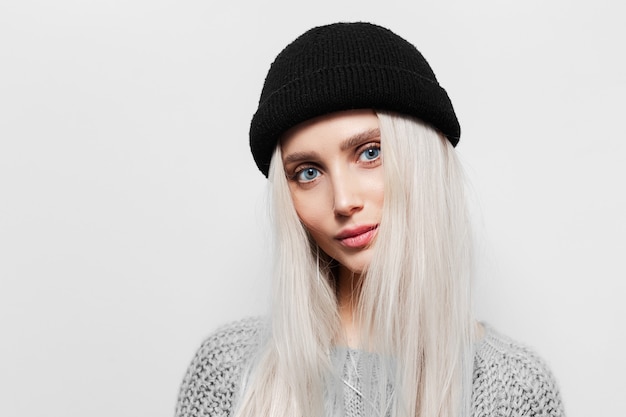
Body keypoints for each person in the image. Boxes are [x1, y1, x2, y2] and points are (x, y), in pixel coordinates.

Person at [174, 22, 565, 417]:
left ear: (422, 159)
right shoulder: (228, 372)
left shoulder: (514, 390)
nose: (343, 201)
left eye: (369, 153)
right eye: (308, 172)